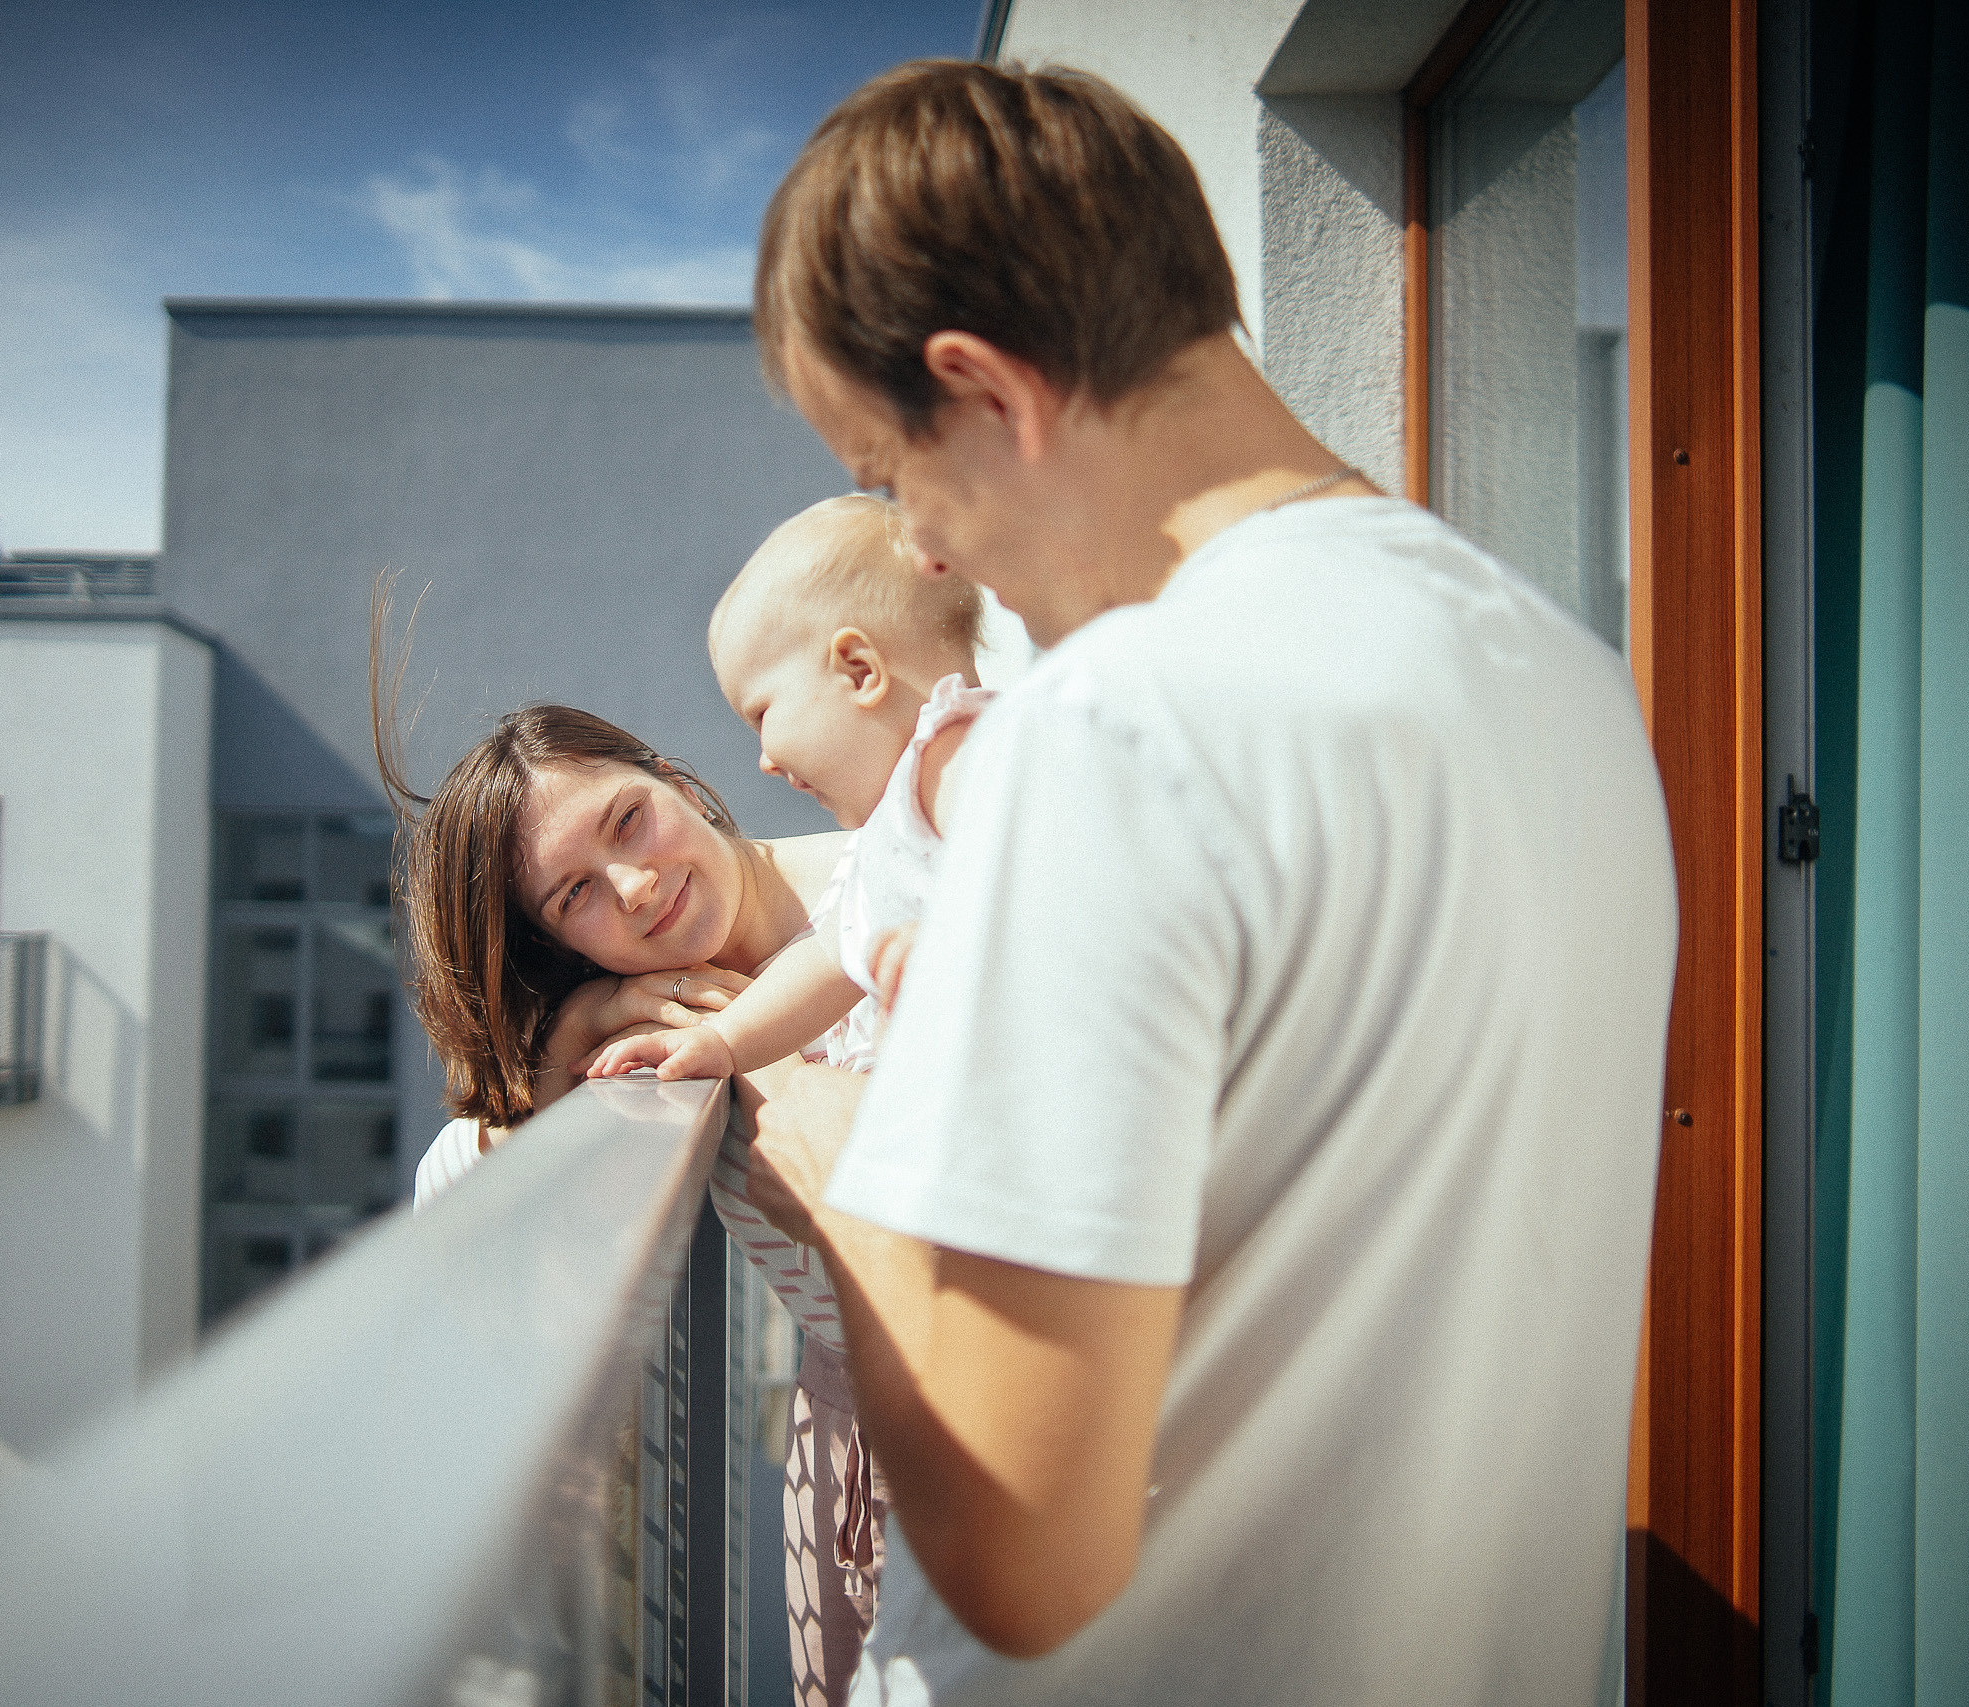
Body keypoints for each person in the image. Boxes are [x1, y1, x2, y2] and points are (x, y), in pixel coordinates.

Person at [737, 60, 1680, 1706]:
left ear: (989, 391)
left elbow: (1024, 1557)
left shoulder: (1116, 732)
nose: (930, 554)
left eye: (894, 473)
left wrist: (831, 1162)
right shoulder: (1568, 681)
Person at [388, 702, 867, 1707]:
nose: (638, 886)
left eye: (627, 821)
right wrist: (565, 1053)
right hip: (856, 1471)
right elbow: (453, 1207)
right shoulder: (650, 1041)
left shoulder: (889, 878)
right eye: (576, 896)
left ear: (671, 777)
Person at [587, 493, 993, 1085]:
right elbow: (829, 959)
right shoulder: (898, 822)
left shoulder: (962, 759)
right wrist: (721, 1042)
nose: (766, 760)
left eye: (762, 714)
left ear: (859, 670)